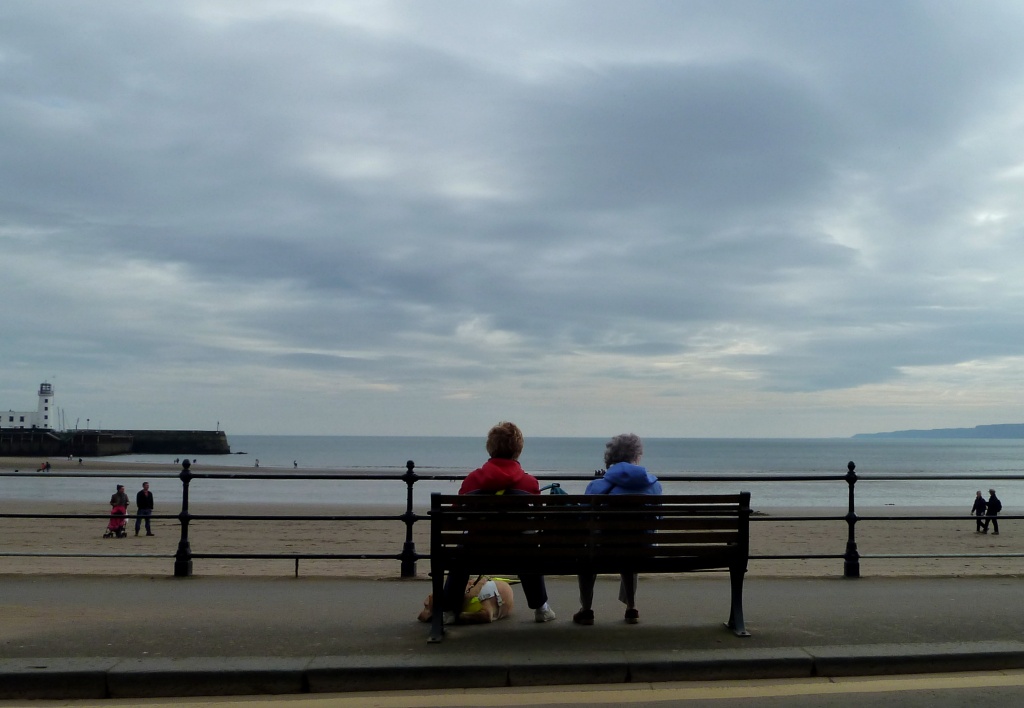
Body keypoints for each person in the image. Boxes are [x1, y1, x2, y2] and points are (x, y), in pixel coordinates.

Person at [443, 421, 556, 623]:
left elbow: (456, 516)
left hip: (475, 552)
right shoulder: (529, 482)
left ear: (490, 447)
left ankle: (449, 610)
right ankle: (541, 608)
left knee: (462, 551)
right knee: (529, 547)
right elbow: (537, 522)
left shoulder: (472, 480)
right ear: (518, 450)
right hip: (518, 552)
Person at [574, 433, 662, 626]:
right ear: (637, 457)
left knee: (589, 550)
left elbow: (583, 519)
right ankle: (631, 607)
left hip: (601, 552)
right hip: (642, 552)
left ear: (611, 458)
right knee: (630, 546)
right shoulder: (654, 485)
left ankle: (586, 609)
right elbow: (658, 520)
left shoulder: (597, 486)